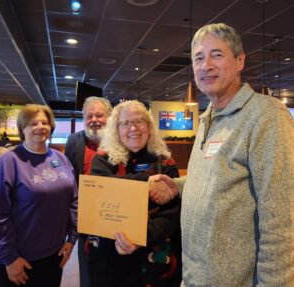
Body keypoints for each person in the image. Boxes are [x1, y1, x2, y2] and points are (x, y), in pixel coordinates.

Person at [150, 23, 294, 287]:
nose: (206, 66)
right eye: (199, 58)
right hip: (194, 277)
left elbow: (281, 217)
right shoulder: (207, 118)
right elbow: (218, 178)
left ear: (240, 61)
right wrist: (178, 186)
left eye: (217, 55)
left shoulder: (266, 115)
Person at [87, 100, 182, 287]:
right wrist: (146, 184)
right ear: (116, 129)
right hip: (109, 257)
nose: (133, 128)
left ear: (149, 126)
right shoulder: (103, 160)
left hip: (154, 257)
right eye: (125, 123)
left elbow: (172, 212)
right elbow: (101, 190)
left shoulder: (165, 162)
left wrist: (141, 237)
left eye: (139, 121)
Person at [0, 104, 78, 287]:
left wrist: (72, 239)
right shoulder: (8, 162)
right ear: (22, 129)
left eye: (44, 122)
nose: (40, 127)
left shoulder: (61, 158)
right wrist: (9, 258)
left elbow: (74, 201)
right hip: (19, 259)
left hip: (54, 255)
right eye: (33, 123)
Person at [64, 96, 112, 287]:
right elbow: (69, 178)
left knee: (112, 265)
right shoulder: (73, 141)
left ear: (109, 116)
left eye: (99, 115)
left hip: (113, 213)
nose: (94, 120)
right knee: (87, 264)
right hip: (85, 215)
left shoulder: (120, 139)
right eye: (89, 116)